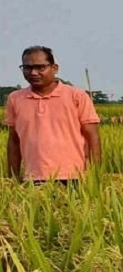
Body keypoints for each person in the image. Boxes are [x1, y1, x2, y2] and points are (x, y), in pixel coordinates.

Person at [5, 45, 101, 183]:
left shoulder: (77, 96)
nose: (33, 72)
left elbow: (93, 137)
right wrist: (12, 179)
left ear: (54, 68)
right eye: (27, 68)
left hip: (73, 177)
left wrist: (95, 177)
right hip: (33, 179)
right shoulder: (15, 99)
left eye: (40, 67)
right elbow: (13, 141)